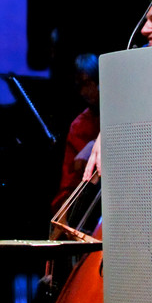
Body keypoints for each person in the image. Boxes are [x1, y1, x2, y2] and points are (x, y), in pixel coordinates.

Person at [49, 54, 100, 213]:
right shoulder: (79, 125)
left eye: (88, 83)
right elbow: (69, 181)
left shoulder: (122, 114)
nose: (83, 92)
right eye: (79, 87)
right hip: (87, 207)